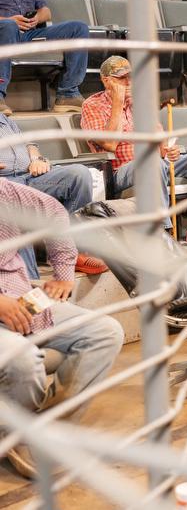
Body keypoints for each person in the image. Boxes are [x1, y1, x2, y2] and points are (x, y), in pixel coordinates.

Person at [0, 178, 123, 478]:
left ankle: (48, 425)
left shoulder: (4, 190)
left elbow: (54, 210)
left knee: (105, 331)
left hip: (19, 292)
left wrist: (64, 272)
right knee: (23, 359)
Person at [81, 56, 187, 247]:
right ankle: (162, 233)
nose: (128, 82)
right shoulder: (92, 106)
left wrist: (169, 150)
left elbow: (161, 145)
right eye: (122, 78)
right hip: (120, 171)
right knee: (153, 162)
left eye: (131, 77)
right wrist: (117, 102)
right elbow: (109, 143)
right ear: (106, 80)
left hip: (155, 162)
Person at [0, 113, 106, 275]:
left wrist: (37, 159)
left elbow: (29, 144)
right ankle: (29, 283)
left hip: (29, 175)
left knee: (79, 174)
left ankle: (75, 252)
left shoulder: (4, 119)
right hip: (5, 181)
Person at [0, 0, 89, 115]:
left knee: (79, 28)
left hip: (30, 33)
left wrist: (37, 18)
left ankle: (68, 94)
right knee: (9, 26)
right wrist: (9, 21)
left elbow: (46, 12)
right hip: (4, 32)